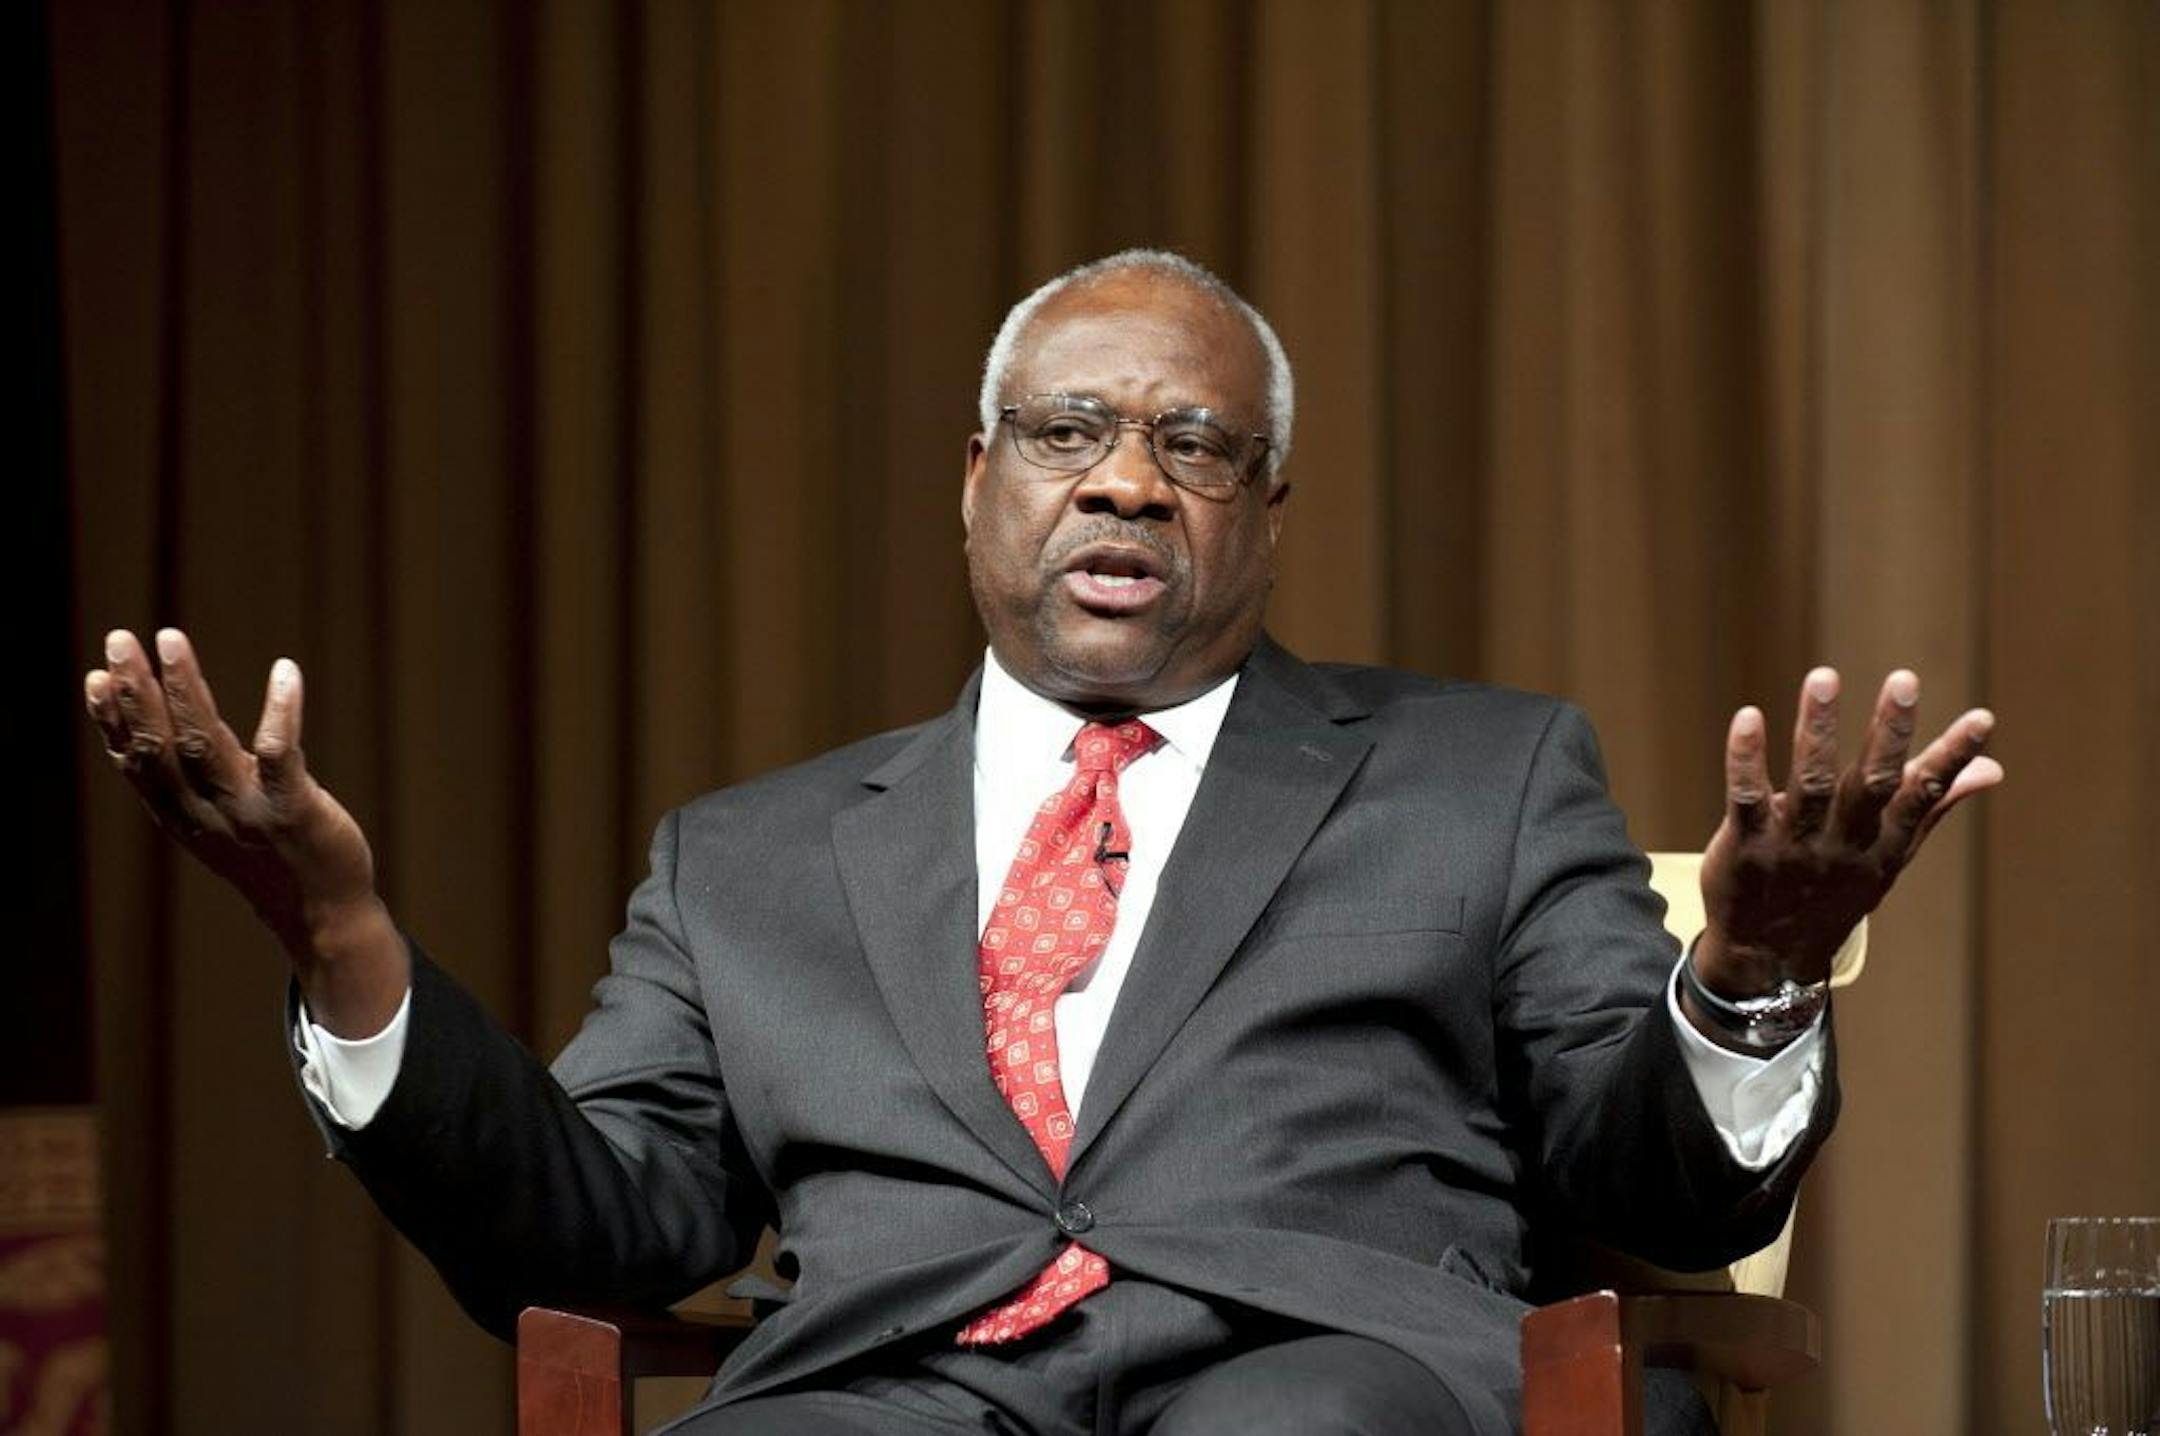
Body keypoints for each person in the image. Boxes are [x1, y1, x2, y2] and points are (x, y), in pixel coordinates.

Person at [83, 250, 2000, 1436]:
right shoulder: (741, 861)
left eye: (1199, 444)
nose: (1128, 477)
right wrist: (340, 936)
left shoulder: (1481, 778)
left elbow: (1651, 1191)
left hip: (1321, 1373)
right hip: (886, 1382)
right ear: (979, 482)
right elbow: (598, 1230)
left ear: (1269, 515)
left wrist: (1742, 974)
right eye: (1069, 425)